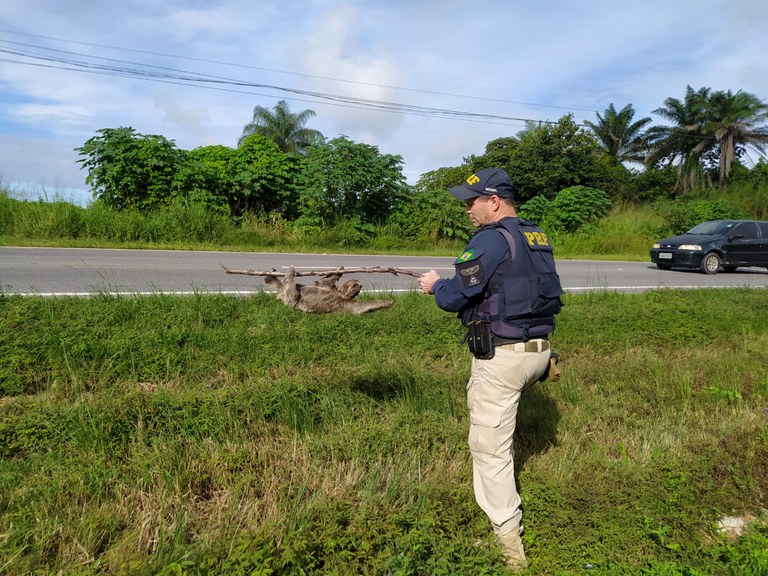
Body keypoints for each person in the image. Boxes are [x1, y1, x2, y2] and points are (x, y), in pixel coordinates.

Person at [417, 167, 563, 571]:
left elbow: (456, 296)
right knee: (504, 430)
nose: (467, 210)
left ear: (494, 201)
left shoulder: (488, 239)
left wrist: (434, 285)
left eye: (471, 201)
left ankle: (509, 545)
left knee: (489, 448)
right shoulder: (536, 236)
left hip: (504, 357)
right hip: (540, 351)